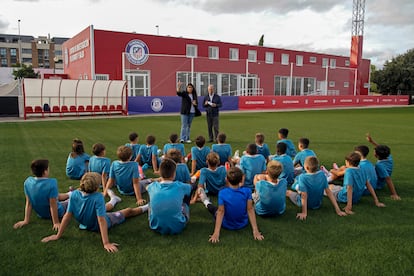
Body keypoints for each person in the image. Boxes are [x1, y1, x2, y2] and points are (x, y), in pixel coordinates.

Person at [41, 172, 147, 253]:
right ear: (96, 187)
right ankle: (148, 206)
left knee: (104, 208)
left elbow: (67, 216)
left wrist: (58, 235)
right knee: (128, 211)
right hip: (96, 224)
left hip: (85, 222)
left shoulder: (74, 194)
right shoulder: (98, 197)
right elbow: (101, 220)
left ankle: (114, 199)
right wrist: (106, 243)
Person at [195, 167, 264, 243]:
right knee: (245, 204)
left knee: (216, 210)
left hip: (226, 224)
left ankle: (205, 201)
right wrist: (255, 230)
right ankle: (206, 201)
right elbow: (250, 209)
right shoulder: (247, 191)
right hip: (243, 222)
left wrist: (216, 233)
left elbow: (221, 212)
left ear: (227, 180)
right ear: (241, 180)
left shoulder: (222, 192)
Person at [14, 159, 71, 230]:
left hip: (41, 213)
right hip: (59, 211)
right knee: (72, 200)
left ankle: (70, 193)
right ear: (45, 172)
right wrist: (56, 222)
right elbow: (53, 205)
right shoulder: (52, 183)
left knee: (56, 196)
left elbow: (29, 203)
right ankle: (72, 193)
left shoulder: (28, 182)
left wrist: (26, 220)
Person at [146, 158, 192, 235]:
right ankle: (182, 210)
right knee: (186, 198)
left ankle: (156, 215)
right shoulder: (180, 186)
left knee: (150, 201)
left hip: (155, 225)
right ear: (174, 174)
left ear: (160, 173)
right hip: (178, 226)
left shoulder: (152, 186)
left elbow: (147, 188)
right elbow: (190, 187)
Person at [366, 133, 400, 200]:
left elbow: (388, 179)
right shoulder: (389, 157)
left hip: (377, 184)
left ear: (377, 155)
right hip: (379, 179)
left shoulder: (380, 166)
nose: (374, 152)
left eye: (374, 152)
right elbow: (380, 148)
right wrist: (371, 141)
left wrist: (394, 194)